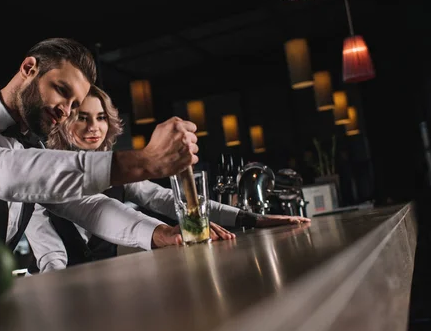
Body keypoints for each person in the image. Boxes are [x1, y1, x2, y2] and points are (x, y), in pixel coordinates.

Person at [0, 38, 198, 274]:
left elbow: (88, 205)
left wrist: (159, 233)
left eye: (73, 104)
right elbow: (1, 172)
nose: (65, 111)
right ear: (29, 68)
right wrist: (144, 161)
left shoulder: (33, 149)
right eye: (60, 89)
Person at [28, 85, 311, 272]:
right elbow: (48, 251)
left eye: (101, 117)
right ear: (63, 122)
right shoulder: (44, 174)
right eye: (82, 118)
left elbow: (165, 198)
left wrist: (251, 219)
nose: (94, 127)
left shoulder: (120, 173)